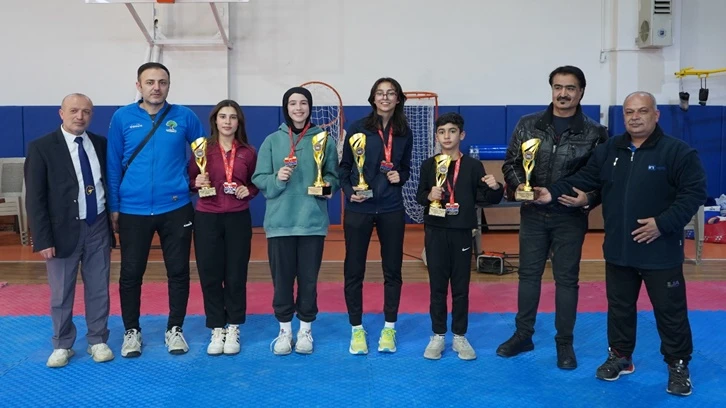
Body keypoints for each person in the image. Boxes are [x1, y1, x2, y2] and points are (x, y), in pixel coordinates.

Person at [534, 91, 706, 397]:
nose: (635, 117)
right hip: (618, 250)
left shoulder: (678, 152)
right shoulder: (610, 149)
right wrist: (551, 192)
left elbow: (693, 194)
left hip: (660, 251)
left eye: (642, 111)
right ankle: (621, 357)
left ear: (656, 115)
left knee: (670, 312)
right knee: (620, 309)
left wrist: (662, 224)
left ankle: (678, 364)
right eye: (629, 112)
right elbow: (585, 178)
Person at [498, 65, 608, 369]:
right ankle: (523, 335)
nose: (563, 93)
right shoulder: (528, 124)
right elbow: (511, 163)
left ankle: (564, 343)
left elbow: (602, 178)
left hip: (569, 216)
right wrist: (521, 187)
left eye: (570, 88)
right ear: (551, 89)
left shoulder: (595, 133)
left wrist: (589, 200)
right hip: (533, 213)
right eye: (558, 87)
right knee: (528, 276)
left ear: (581, 92)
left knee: (567, 280)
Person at [107, 62, 206, 357]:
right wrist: (115, 206)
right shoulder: (122, 117)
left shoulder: (185, 116)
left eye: (162, 82)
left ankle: (175, 328)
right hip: (132, 210)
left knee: (178, 271)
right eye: (150, 82)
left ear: (168, 85)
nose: (156, 87)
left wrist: (193, 182)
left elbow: (204, 156)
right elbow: (113, 165)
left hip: (176, 208)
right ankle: (131, 331)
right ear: (139, 85)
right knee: (130, 273)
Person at [24, 93, 116, 367]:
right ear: (61, 113)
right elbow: (35, 198)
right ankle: (62, 344)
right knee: (61, 292)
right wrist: (42, 238)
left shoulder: (100, 144)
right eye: (74, 110)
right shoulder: (42, 147)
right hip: (61, 230)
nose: (80, 116)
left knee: (99, 288)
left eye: (86, 111)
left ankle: (97, 340)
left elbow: (106, 183)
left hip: (97, 225)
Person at [251, 86, 339, 356]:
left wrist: (327, 186)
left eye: (303, 103)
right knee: (282, 281)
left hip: (312, 222)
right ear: (286, 108)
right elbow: (259, 178)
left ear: (310, 107)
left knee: (309, 281)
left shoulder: (324, 140)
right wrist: (277, 179)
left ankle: (305, 331)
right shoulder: (271, 141)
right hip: (280, 224)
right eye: (293, 103)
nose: (298, 108)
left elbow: (333, 176)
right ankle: (284, 331)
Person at [416, 112, 504, 361]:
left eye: (452, 131)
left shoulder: (473, 166)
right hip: (435, 231)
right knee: (437, 287)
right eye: (442, 131)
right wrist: (429, 195)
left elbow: (487, 198)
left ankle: (459, 336)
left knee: (460, 287)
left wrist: (495, 187)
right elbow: (419, 196)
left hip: (462, 232)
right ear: (436, 136)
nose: (447, 136)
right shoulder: (429, 165)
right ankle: (437, 335)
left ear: (461, 135)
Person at [339, 77, 413, 355]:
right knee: (353, 269)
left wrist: (400, 176)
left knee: (392, 270)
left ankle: (389, 327)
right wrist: (349, 192)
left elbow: (405, 168)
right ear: (373, 98)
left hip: (391, 208)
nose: (385, 97)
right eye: (380, 93)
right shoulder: (358, 127)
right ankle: (356, 329)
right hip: (359, 208)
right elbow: (345, 167)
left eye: (390, 93)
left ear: (398, 98)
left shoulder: (404, 131)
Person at [189, 100, 258, 356]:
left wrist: (248, 190)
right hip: (207, 217)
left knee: (236, 273)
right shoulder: (202, 149)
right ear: (215, 121)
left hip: (238, 218)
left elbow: (255, 182)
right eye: (223, 117)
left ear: (239, 122)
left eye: (232, 117)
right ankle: (217, 327)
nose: (227, 122)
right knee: (210, 273)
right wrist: (196, 182)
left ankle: (234, 326)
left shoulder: (248, 152)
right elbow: (190, 179)